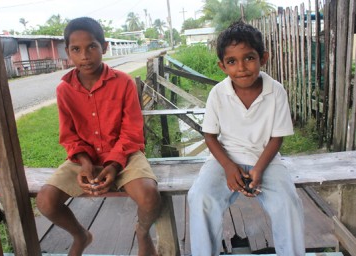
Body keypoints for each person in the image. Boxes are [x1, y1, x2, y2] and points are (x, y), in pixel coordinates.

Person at [36, 17, 161, 256]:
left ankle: (143, 233)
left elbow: (132, 131)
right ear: (68, 52)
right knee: (45, 201)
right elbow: (69, 136)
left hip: (124, 153)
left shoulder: (123, 82)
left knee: (149, 196)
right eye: (76, 49)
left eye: (92, 47)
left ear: (103, 47)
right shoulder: (64, 90)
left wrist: (114, 165)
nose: (85, 55)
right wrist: (84, 164)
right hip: (84, 157)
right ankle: (81, 235)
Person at [187, 20, 305, 256]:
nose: (241, 67)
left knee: (288, 203)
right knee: (200, 197)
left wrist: (259, 169)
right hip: (224, 160)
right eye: (232, 61)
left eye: (249, 58)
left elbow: (276, 138)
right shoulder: (218, 93)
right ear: (222, 66)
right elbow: (209, 135)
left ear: (263, 58)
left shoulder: (276, 91)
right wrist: (229, 167)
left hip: (266, 160)